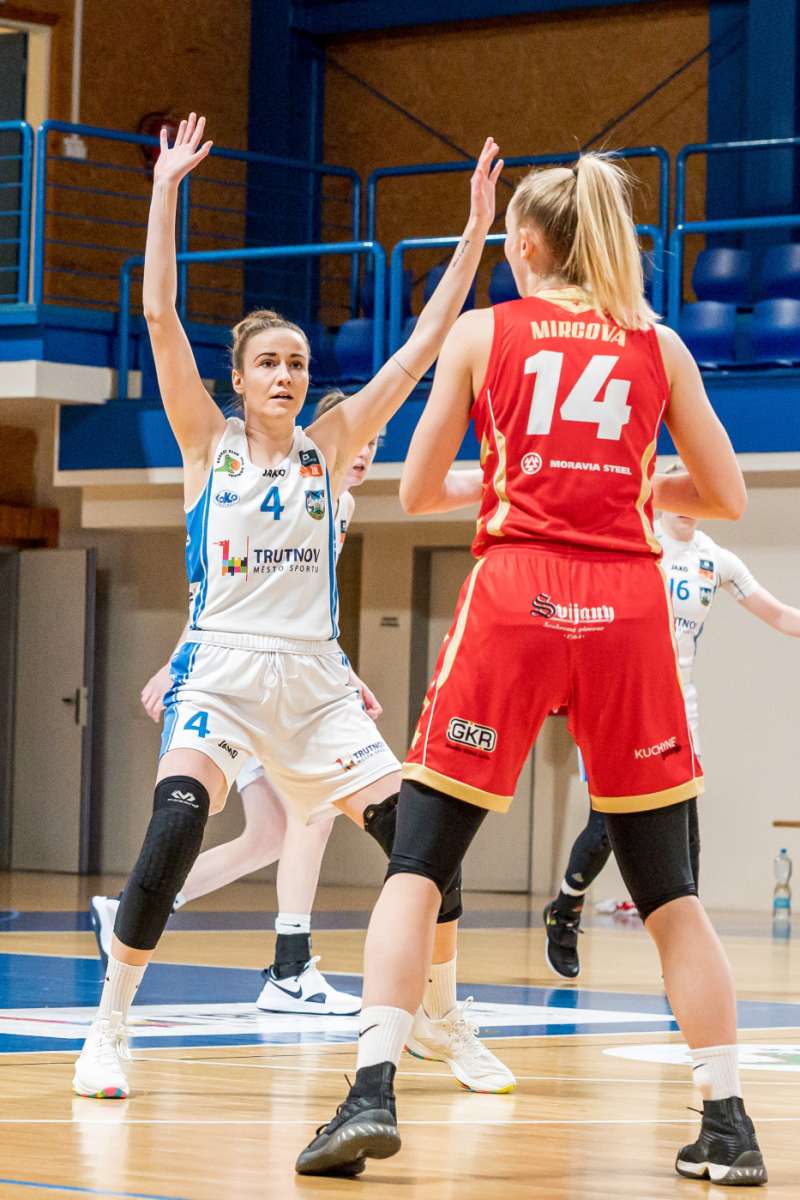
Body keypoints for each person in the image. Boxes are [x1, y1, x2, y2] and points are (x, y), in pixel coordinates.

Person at [297, 153, 767, 1187]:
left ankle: (370, 1092)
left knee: (417, 865)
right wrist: (627, 484)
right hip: (628, 606)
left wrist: (522, 476)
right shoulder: (658, 341)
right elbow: (726, 496)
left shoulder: (483, 332)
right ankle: (728, 1123)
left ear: (523, 246)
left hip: (517, 593)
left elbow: (419, 490)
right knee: (670, 894)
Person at [73, 113, 512, 1101]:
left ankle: (440, 1018)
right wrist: (164, 190)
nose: (285, 375)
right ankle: (108, 1029)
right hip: (222, 670)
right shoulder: (207, 443)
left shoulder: (334, 444)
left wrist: (474, 231)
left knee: (427, 849)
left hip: (316, 682)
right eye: (268, 363)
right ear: (238, 379)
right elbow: (159, 314)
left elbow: (424, 343)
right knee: (175, 825)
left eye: (298, 363)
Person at [88, 393, 379, 1018]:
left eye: (374, 446)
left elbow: (295, 610)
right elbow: (229, 586)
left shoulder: (341, 504)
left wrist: (342, 672)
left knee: (270, 833)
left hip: (287, 673)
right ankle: (290, 967)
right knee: (312, 812)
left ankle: (133, 907)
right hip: (235, 678)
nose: (362, 454)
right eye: (358, 442)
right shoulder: (277, 479)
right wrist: (177, 662)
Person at [543, 506, 800, 980]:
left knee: (685, 831)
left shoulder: (716, 559)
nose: (688, 502)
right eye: (679, 489)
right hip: (617, 703)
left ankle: (684, 951)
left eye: (698, 495)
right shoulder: (635, 540)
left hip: (679, 710)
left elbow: (781, 615)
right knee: (606, 826)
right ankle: (565, 909)